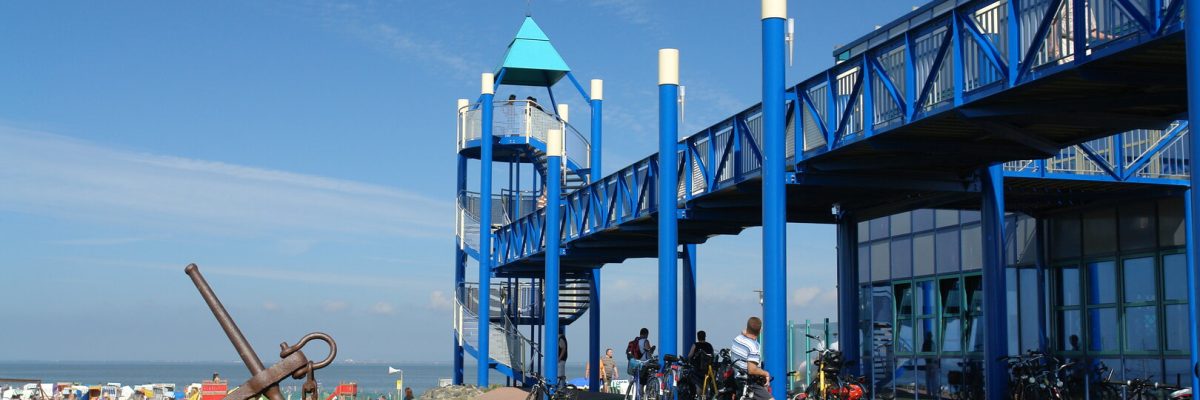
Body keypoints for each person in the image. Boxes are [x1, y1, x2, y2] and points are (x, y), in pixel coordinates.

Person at [731, 316, 771, 400]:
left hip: (736, 378)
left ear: (747, 327)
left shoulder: (737, 339)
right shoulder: (753, 347)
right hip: (749, 382)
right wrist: (765, 374)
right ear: (760, 331)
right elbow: (752, 370)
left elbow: (744, 331)